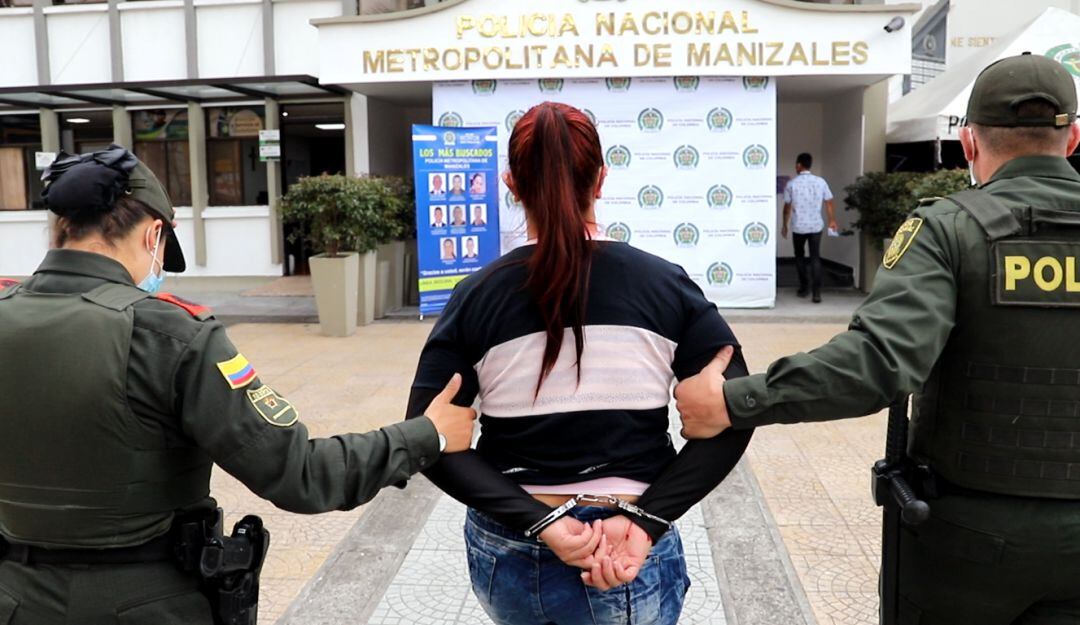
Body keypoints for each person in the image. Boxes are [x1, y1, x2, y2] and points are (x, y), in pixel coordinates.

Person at [674, 53, 1080, 625]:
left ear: (968, 142)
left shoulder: (950, 229)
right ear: (1073, 137)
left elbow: (879, 362)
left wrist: (736, 401)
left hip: (971, 543)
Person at [0, 145, 477, 625]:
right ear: (153, 235)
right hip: (148, 604)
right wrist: (426, 434)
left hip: (15, 599)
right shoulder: (170, 335)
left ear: (60, 229)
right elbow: (300, 475)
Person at [406, 102, 754, 625]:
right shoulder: (665, 285)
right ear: (602, 178)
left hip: (510, 543)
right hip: (625, 545)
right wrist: (647, 521)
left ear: (511, 184)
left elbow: (423, 436)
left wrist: (540, 522)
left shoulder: (475, 296)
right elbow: (738, 413)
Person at [781, 153, 837, 303]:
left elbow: (787, 208)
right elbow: (829, 202)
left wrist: (784, 225)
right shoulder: (820, 182)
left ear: (799, 165)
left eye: (796, 164)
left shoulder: (792, 184)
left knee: (799, 256)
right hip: (815, 226)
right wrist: (832, 220)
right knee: (815, 257)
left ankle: (804, 288)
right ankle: (816, 293)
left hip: (798, 226)